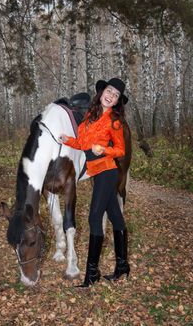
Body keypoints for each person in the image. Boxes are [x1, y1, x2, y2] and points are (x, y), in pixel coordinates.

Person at [59, 77, 130, 287]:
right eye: (109, 91)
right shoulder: (90, 114)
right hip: (96, 171)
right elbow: (82, 143)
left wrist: (104, 149)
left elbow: (121, 150)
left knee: (94, 217)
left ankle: (92, 274)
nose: (111, 96)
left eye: (115, 95)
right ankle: (122, 265)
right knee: (116, 217)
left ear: (117, 101)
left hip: (107, 170)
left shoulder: (114, 121)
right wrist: (67, 140)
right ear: (102, 92)